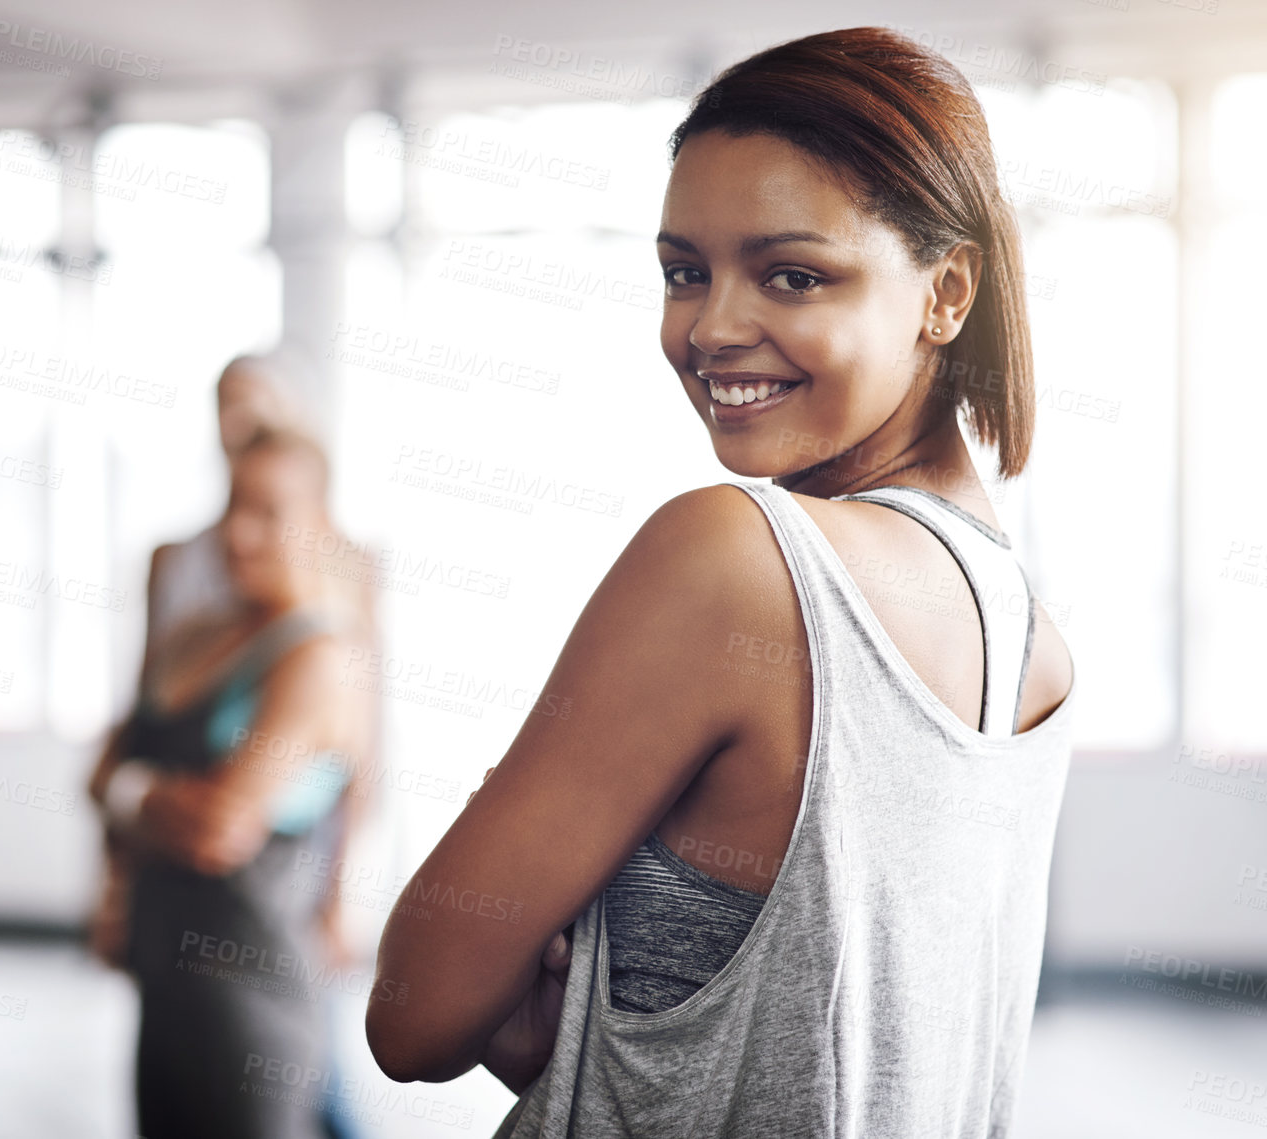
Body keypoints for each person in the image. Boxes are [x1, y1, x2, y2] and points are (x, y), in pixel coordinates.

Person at [367, 26, 1077, 1137]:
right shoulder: (1029, 633)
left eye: (793, 274)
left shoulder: (736, 555)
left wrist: (553, 977)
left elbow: (413, 1015)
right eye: (682, 272)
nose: (711, 328)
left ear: (945, 293)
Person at [91, 425, 373, 1139]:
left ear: (317, 524)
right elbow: (94, 774)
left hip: (253, 1001)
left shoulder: (320, 657)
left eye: (267, 513)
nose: (239, 533)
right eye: (232, 507)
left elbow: (218, 827)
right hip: (163, 982)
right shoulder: (193, 633)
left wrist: (131, 792)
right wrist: (148, 801)